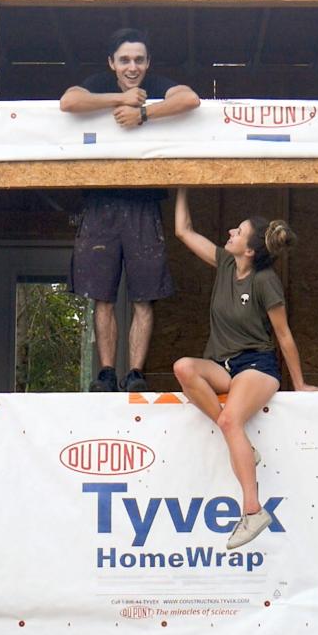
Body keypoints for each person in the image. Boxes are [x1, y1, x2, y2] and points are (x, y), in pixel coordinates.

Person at [172, 187, 318, 550]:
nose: (229, 235)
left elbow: (283, 335)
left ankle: (253, 510)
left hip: (257, 365)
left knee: (228, 421)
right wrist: (181, 184)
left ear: (250, 251)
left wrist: (298, 384)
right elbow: (183, 230)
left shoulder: (265, 281)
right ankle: (240, 446)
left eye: (237, 233)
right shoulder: (225, 263)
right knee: (184, 367)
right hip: (224, 365)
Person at [60, 29, 200, 392]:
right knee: (102, 296)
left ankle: (135, 373)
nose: (133, 66)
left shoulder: (155, 83)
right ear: (112, 63)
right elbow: (69, 101)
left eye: (139, 59)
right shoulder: (100, 83)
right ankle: (107, 372)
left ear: (148, 62)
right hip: (100, 201)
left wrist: (145, 114)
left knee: (144, 295)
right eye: (125, 60)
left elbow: (189, 99)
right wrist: (118, 98)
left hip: (144, 203)